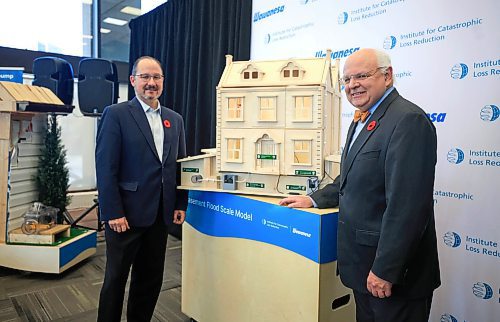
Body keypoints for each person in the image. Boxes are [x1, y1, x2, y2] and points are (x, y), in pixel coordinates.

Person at [280, 48, 440, 322]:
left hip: (391, 278)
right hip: (362, 270)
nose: (352, 85)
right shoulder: (362, 119)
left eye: (362, 76)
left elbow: (408, 207)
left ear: (387, 76)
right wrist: (314, 199)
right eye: (347, 79)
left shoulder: (408, 121)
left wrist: (385, 271)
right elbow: (351, 178)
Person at [95, 56, 188, 322]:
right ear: (133, 80)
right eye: (145, 77)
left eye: (156, 77)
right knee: (115, 280)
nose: (151, 83)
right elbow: (106, 167)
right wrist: (112, 212)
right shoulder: (116, 114)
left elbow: (179, 165)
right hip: (125, 216)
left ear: (163, 82)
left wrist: (180, 202)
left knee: (149, 281)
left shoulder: (175, 119)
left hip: (160, 216)